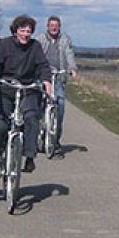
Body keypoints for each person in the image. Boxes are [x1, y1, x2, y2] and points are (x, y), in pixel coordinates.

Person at [0, 15, 52, 180]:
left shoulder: (35, 47)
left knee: (31, 118)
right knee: (1, 126)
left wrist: (46, 80)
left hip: (27, 89)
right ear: (15, 31)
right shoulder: (5, 45)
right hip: (5, 90)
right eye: (22, 30)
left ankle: (29, 157)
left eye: (29, 31)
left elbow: (43, 65)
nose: (25, 34)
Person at [40, 15, 77, 152]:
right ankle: (39, 132)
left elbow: (69, 54)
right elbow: (35, 54)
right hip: (42, 76)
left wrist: (72, 69)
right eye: (51, 25)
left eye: (56, 25)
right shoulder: (41, 39)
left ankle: (55, 139)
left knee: (60, 105)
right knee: (38, 105)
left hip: (58, 77)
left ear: (59, 27)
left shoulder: (65, 40)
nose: (54, 28)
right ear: (47, 27)